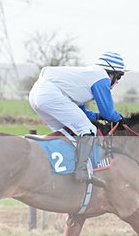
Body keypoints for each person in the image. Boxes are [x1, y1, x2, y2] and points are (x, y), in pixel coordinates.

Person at [28, 51, 126, 186]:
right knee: (88, 129)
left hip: (36, 94)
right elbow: (109, 113)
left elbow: (81, 111)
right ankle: (81, 171)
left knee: (67, 131)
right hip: (49, 94)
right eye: (120, 76)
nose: (118, 81)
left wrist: (97, 116)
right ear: (112, 73)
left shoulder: (88, 76)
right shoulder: (102, 77)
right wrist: (122, 120)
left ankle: (56, 166)